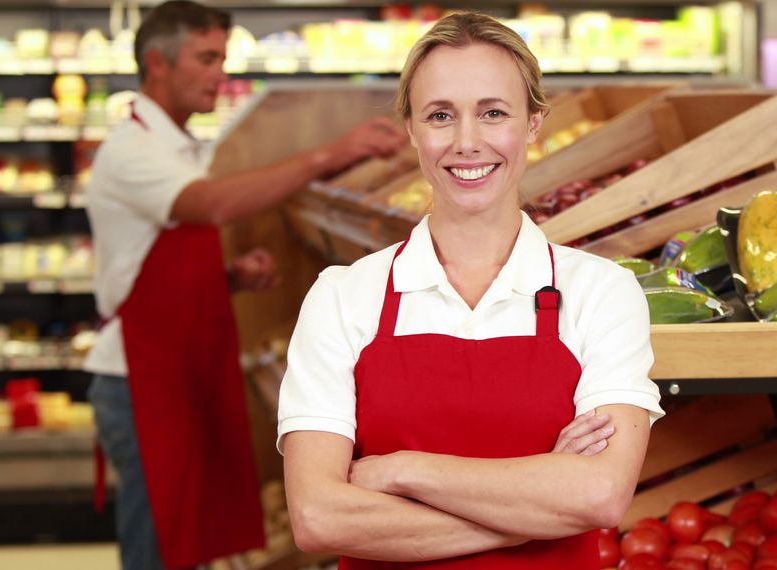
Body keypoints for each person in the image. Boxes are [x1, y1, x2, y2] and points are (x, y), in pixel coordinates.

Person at [277, 12, 664, 569]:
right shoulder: (343, 297)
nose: (467, 142)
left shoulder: (602, 292)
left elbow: (599, 495)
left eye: (493, 113)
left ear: (533, 123)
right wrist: (533, 513)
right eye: (440, 115)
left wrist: (401, 470)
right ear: (411, 128)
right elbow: (318, 517)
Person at [82, 1, 407, 568]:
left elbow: (149, 263)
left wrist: (228, 276)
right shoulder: (132, 150)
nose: (219, 73)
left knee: (183, 533)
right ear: (157, 64)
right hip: (139, 378)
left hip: (175, 364)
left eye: (222, 58)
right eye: (206, 58)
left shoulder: (177, 146)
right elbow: (213, 204)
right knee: (157, 541)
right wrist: (333, 151)